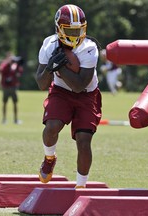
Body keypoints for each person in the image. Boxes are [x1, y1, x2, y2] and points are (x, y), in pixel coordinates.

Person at [35, 4, 102, 188]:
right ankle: (49, 158)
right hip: (60, 91)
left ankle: (81, 185)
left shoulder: (89, 48)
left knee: (83, 140)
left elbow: (80, 86)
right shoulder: (49, 44)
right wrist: (50, 67)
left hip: (87, 95)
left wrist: (61, 66)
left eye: (77, 30)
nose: (74, 35)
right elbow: (41, 84)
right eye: (69, 30)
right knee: (51, 127)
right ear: (58, 29)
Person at [0, 53, 23, 124]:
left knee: (15, 103)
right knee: (4, 103)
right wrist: (7, 64)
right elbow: (1, 70)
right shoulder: (4, 64)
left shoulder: (15, 65)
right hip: (5, 87)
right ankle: (4, 119)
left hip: (13, 86)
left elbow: (20, 72)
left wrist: (16, 66)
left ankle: (15, 119)